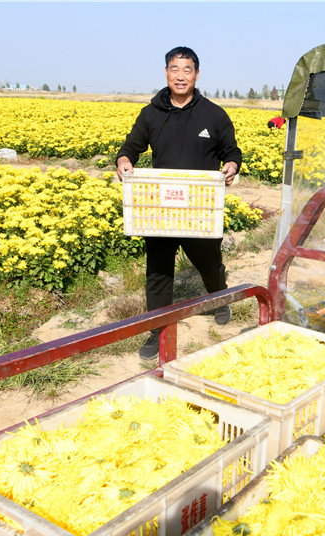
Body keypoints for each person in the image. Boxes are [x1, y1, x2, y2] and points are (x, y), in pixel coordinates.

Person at [116, 46, 243, 360]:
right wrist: (123, 161)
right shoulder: (151, 113)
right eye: (175, 69)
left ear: (196, 75)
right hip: (161, 208)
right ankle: (156, 331)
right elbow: (130, 146)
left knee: (209, 263)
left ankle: (219, 298)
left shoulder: (213, 114)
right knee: (158, 271)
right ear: (166, 73)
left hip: (199, 208)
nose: (181, 76)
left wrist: (231, 167)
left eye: (187, 70)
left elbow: (232, 151)